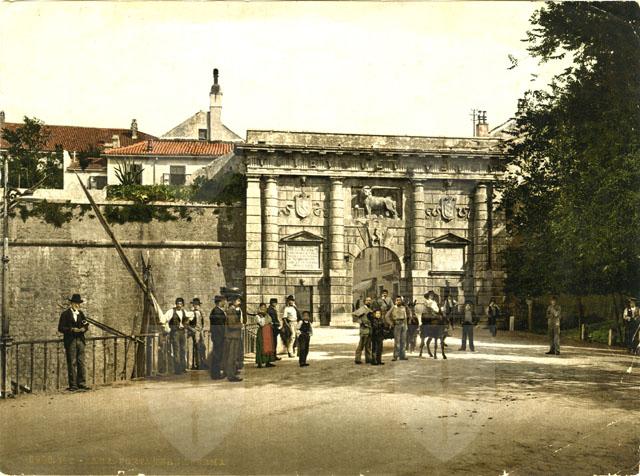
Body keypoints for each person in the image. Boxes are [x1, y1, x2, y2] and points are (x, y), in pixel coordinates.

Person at [57, 294, 90, 392]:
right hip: (70, 341)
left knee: (81, 362)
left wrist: (84, 329)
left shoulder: (81, 314)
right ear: (71, 303)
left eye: (79, 303)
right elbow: (60, 328)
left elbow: (86, 324)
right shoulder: (65, 314)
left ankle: (82, 383)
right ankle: (73, 385)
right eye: (76, 303)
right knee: (72, 363)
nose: (77, 305)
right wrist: (71, 329)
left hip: (80, 340)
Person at [162, 297, 189, 374]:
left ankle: (183, 368)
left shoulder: (184, 311)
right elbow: (164, 319)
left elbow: (187, 320)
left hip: (182, 332)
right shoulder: (171, 311)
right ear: (176, 304)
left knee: (183, 349)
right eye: (178, 304)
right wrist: (168, 328)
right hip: (175, 333)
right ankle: (177, 369)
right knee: (176, 350)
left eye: (180, 304)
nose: (179, 305)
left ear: (182, 304)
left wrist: (184, 325)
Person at [223, 296, 245, 382]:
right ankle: (231, 376)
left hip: (233, 336)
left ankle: (231, 373)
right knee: (232, 356)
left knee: (233, 356)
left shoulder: (232, 310)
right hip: (233, 336)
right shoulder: (231, 311)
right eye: (238, 300)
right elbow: (231, 325)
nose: (239, 302)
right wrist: (241, 325)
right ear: (233, 301)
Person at [209, 295, 227, 380]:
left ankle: (216, 373)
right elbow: (220, 326)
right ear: (220, 302)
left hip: (217, 336)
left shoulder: (216, 310)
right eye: (223, 301)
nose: (225, 302)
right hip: (218, 336)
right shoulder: (217, 311)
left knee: (218, 354)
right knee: (217, 355)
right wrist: (224, 335)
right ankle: (216, 374)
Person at [187, 298, 207, 370]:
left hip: (200, 331)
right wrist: (192, 329)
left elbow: (203, 322)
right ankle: (194, 364)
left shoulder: (201, 312)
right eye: (195, 304)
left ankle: (201, 363)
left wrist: (202, 330)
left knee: (201, 348)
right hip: (194, 331)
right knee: (194, 348)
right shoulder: (191, 313)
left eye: (197, 304)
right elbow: (186, 323)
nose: (196, 306)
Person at [386, 296, 408, 361]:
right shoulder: (393, 308)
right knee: (397, 341)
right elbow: (386, 316)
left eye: (400, 300)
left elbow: (405, 317)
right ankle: (395, 356)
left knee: (403, 341)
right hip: (397, 325)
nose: (398, 301)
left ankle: (402, 356)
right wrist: (391, 323)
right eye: (397, 300)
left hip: (403, 325)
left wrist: (406, 326)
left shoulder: (403, 308)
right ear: (395, 301)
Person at [419, 291, 440, 357]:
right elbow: (426, 307)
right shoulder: (426, 301)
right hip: (427, 315)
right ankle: (423, 332)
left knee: (440, 320)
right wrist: (430, 308)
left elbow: (437, 309)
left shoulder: (434, 302)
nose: (431, 296)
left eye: (432, 295)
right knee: (425, 322)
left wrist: (436, 310)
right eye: (430, 295)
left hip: (433, 314)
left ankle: (441, 332)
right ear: (428, 296)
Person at [255, 303, 276, 368]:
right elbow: (262, 324)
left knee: (269, 346)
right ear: (259, 307)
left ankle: (268, 362)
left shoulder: (267, 315)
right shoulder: (258, 316)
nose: (263, 308)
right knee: (261, 346)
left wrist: (269, 322)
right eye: (262, 307)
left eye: (264, 307)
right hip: (262, 332)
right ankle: (260, 362)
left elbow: (271, 321)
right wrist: (263, 318)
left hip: (268, 331)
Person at [353, 296, 373, 364]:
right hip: (363, 330)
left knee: (368, 346)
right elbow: (354, 315)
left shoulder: (370, 309)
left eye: (370, 300)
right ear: (364, 302)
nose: (369, 301)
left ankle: (368, 359)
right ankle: (357, 359)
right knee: (361, 345)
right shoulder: (362, 309)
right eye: (367, 300)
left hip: (369, 330)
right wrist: (361, 322)